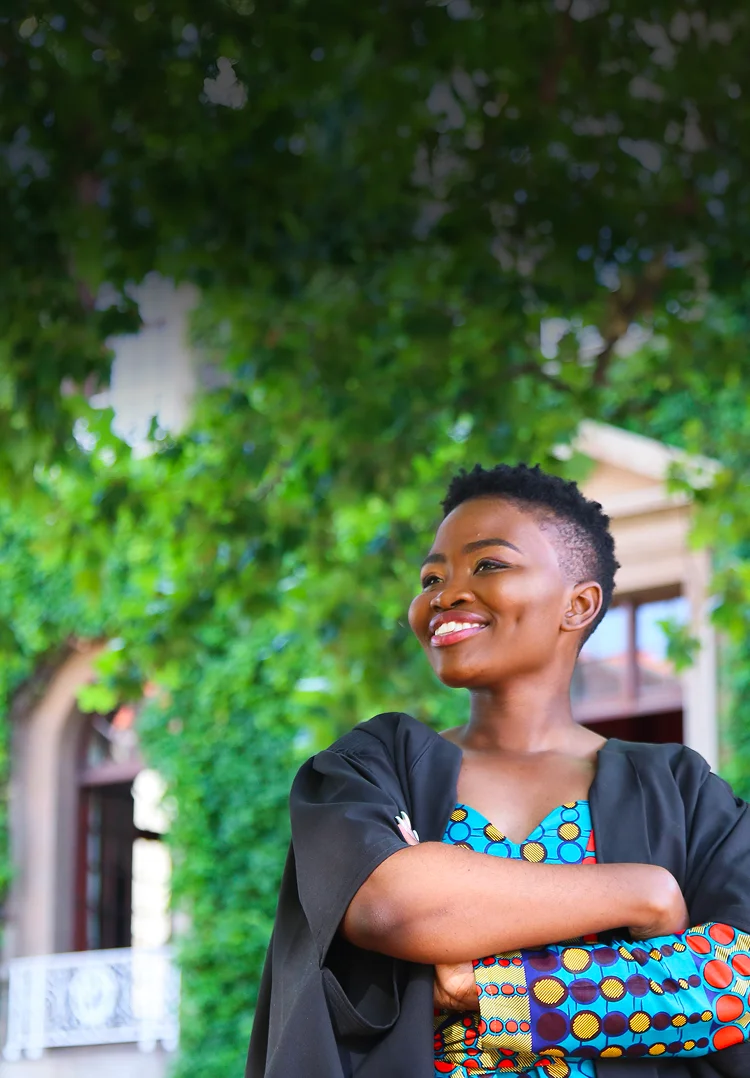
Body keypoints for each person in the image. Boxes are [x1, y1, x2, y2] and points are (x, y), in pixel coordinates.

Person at [246, 463, 750, 1078]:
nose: (445, 592)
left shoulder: (681, 791)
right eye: (432, 576)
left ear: (579, 604)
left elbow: (735, 984)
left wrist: (487, 990)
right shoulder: (374, 763)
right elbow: (391, 904)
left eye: (488, 565)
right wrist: (644, 894)